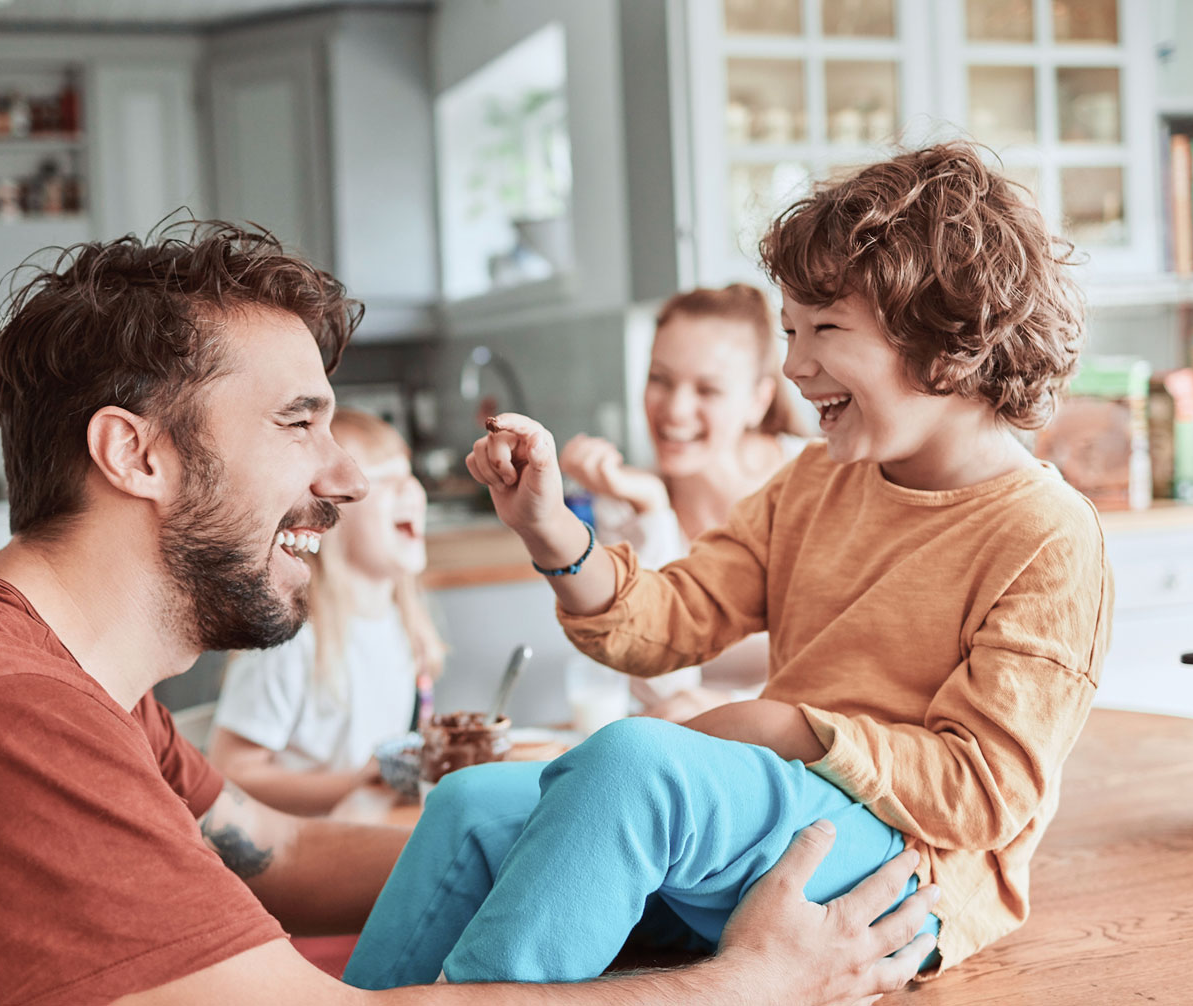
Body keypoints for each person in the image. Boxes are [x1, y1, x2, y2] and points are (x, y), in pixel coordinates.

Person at [0, 221, 935, 1006]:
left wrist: (610, 839)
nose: (342, 479)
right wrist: (739, 982)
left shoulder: (59, 679)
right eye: (299, 424)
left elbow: (278, 854)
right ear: (134, 454)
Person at [345, 142, 1109, 988]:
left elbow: (983, 792)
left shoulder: (1047, 535)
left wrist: (785, 726)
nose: (794, 365)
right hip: (782, 805)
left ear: (944, 340)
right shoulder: (820, 479)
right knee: (468, 804)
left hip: (911, 863)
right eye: (789, 330)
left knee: (634, 765)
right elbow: (671, 619)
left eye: (825, 329)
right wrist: (551, 529)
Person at [559, 283, 812, 718]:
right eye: (660, 379)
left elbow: (845, 674)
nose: (674, 409)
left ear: (758, 402)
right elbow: (655, 680)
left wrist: (731, 706)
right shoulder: (627, 502)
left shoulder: (815, 481)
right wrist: (654, 511)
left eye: (707, 390)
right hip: (686, 741)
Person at [208, 408, 444, 816]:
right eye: (384, 480)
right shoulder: (292, 640)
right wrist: (353, 784)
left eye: (409, 475)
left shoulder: (400, 624)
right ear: (328, 513)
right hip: (305, 850)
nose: (410, 491)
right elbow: (230, 771)